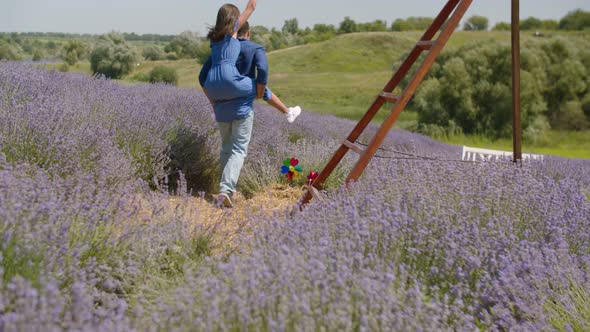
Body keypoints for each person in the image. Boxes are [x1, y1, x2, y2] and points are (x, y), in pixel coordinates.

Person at [199, 21, 302, 123]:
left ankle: (287, 111)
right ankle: (287, 112)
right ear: (248, 33)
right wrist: (260, 91)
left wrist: (213, 103)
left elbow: (202, 77)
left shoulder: (223, 50)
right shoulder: (254, 48)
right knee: (259, 85)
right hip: (245, 92)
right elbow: (262, 69)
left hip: (224, 94)